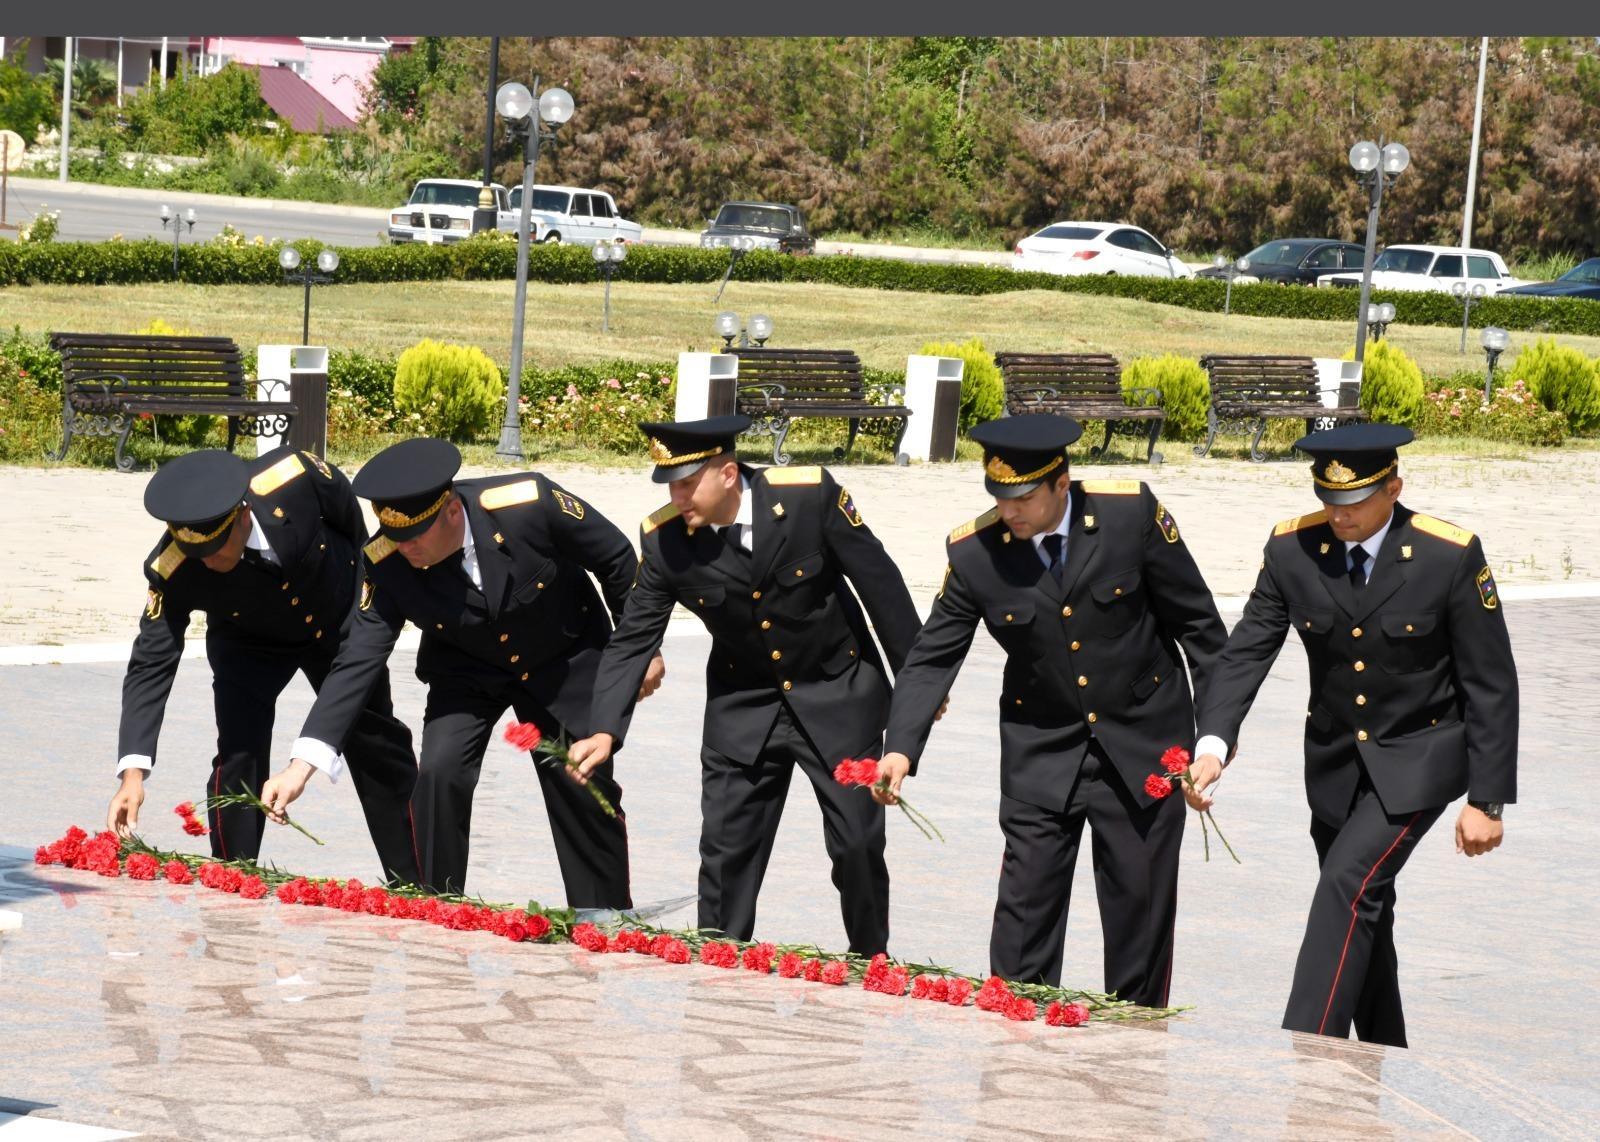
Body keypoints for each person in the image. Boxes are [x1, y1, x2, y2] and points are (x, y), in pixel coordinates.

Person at [874, 414, 1226, 1005]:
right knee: (1023, 911)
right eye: (999, 496)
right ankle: (1015, 1045)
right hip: (1042, 747)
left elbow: (1199, 628)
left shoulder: (1129, 516)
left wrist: (1214, 736)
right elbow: (933, 656)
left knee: (1138, 915)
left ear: (1061, 483)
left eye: (1023, 497)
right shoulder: (975, 551)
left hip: (1144, 747)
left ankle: (1132, 1050)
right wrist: (900, 746)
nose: (1009, 511)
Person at [1186, 424, 1517, 1047]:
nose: (1339, 515)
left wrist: (1487, 800)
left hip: (1421, 757)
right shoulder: (1291, 550)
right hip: (1337, 764)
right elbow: (1245, 653)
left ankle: (1307, 1049)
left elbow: (1492, 683)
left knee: (1346, 885)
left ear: (1394, 487)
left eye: (1356, 501)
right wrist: (1213, 745)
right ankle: (1385, 1050)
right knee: (1366, 907)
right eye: (1329, 501)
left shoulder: (1449, 555)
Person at [567, 416, 924, 954]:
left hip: (836, 692)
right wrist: (604, 729)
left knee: (856, 843)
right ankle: (718, 957)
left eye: (687, 483)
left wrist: (918, 690)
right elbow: (633, 638)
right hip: (744, 704)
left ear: (729, 473)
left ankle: (871, 958)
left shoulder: (810, 500)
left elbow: (883, 587)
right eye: (670, 485)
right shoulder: (666, 542)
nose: (677, 495)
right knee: (726, 851)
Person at [261, 438, 661, 900]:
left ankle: (604, 915)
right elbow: (356, 661)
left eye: (415, 536)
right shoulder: (385, 561)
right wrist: (300, 767)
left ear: (452, 511)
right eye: (395, 537)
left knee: (579, 777)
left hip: (560, 655)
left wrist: (641, 652)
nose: (404, 547)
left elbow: (617, 560)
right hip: (465, 668)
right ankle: (440, 905)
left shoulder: (529, 504)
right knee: (439, 772)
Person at [107, 447, 420, 882]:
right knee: (239, 752)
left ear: (242, 516)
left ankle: (417, 880)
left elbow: (350, 523)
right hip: (248, 641)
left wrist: (362, 589)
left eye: (218, 549)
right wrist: (132, 773)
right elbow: (151, 661)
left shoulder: (297, 479)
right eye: (201, 555)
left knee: (376, 745)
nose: (211, 563)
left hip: (335, 623)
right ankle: (234, 874)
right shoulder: (174, 565)